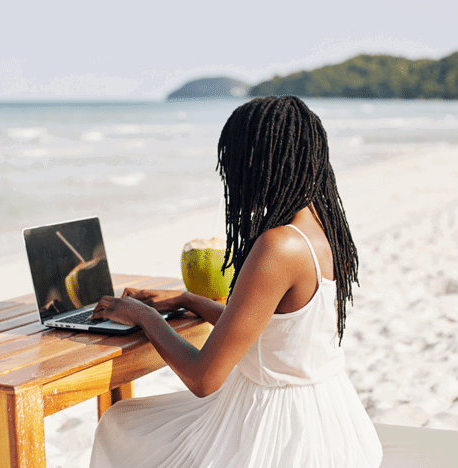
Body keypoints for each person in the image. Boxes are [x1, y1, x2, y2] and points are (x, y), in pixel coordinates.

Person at [89, 96, 383, 467]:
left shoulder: (278, 246)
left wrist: (144, 317)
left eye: (234, 165)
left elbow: (203, 378)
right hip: (328, 418)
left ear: (261, 164)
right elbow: (270, 333)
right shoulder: (324, 231)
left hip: (277, 430)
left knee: (119, 424)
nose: (231, 179)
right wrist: (187, 300)